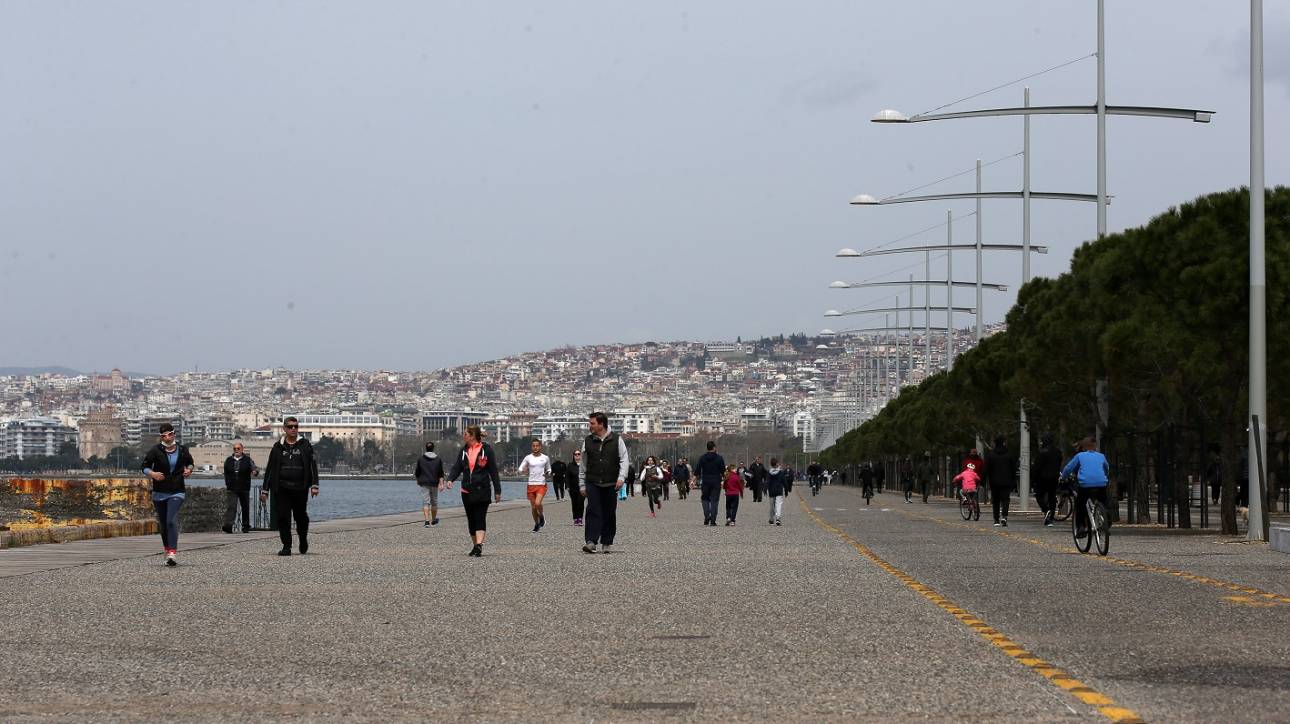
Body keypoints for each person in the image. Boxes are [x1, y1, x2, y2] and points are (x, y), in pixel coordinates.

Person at [261, 416, 320, 556]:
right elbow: (270, 469)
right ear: (284, 429)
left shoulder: (305, 445)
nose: (293, 429)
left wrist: (314, 485)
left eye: (296, 426)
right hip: (282, 488)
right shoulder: (277, 447)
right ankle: (286, 546)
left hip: (300, 488)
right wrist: (265, 490)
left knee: (301, 517)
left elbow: (312, 466)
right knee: (283, 517)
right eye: (290, 426)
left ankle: (303, 539)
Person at [142, 423, 194, 566]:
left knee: (171, 520)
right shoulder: (155, 450)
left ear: (174, 434)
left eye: (169, 434)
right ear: (161, 437)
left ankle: (172, 553)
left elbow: (190, 463)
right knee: (164, 524)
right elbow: (144, 467)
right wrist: (153, 474)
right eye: (164, 436)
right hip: (159, 492)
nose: (167, 437)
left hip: (177, 490)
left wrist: (189, 470)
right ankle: (167, 550)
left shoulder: (183, 450)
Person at [445, 426, 501, 557]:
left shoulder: (486, 450)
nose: (463, 436)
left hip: (482, 490)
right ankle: (475, 545)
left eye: (465, 434)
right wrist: (450, 479)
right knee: (471, 519)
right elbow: (457, 467)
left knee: (480, 517)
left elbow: (493, 471)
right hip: (466, 490)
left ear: (472, 436)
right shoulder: (463, 451)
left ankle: (479, 545)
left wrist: (497, 491)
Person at [578, 412, 629, 553]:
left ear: (601, 424)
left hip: (611, 482)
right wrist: (582, 484)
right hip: (593, 481)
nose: (590, 426)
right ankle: (591, 541)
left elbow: (624, 459)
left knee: (609, 512)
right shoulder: (587, 441)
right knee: (592, 510)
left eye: (592, 423)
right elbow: (583, 464)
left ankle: (607, 541)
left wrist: (621, 477)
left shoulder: (617, 439)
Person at [1061, 436, 1111, 538]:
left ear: (1083, 447)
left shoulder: (1080, 456)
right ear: (1096, 446)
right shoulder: (1101, 456)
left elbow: (1068, 468)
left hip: (1085, 485)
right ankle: (1107, 520)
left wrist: (1063, 477)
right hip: (1101, 483)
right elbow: (1106, 468)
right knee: (1103, 501)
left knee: (1080, 504)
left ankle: (1081, 527)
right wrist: (1104, 477)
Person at [222, 441, 258, 533]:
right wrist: (227, 483)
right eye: (235, 449)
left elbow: (254, 468)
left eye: (238, 448)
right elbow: (226, 473)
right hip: (232, 487)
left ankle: (246, 526)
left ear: (242, 449)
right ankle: (228, 526)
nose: (236, 450)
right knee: (231, 507)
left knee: (245, 507)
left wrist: (254, 472)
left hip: (244, 487)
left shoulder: (248, 460)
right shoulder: (228, 460)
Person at [519, 438, 553, 533]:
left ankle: (541, 516)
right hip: (531, 484)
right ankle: (536, 524)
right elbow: (520, 468)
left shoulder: (545, 458)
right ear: (531, 447)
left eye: (537, 445)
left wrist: (548, 473)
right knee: (533, 507)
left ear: (540, 447)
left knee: (538, 503)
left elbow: (549, 469)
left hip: (541, 484)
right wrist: (523, 470)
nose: (535, 447)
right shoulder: (528, 457)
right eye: (533, 446)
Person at [984, 436, 1016, 527]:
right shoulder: (1009, 454)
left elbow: (986, 469)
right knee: (1005, 500)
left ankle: (996, 519)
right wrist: (1013, 481)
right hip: (1006, 481)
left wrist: (982, 481)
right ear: (1003, 443)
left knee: (996, 501)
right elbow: (1013, 469)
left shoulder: (991, 455)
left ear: (995, 443)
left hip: (994, 482)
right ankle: (1004, 516)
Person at [693, 441, 726, 526]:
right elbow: (723, 471)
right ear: (714, 448)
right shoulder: (719, 458)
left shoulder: (702, 458)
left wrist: (693, 480)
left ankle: (707, 515)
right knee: (714, 500)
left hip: (706, 481)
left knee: (705, 499)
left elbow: (697, 470)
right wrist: (725, 479)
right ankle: (713, 520)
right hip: (716, 481)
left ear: (707, 448)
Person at [1032, 434, 1063, 526]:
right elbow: (1059, 463)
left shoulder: (1042, 452)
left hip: (1042, 478)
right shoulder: (1058, 452)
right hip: (1054, 477)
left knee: (1039, 495)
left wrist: (1033, 480)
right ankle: (1050, 518)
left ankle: (1046, 510)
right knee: (1052, 497)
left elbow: (1037, 468)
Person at [414, 441, 445, 527]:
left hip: (424, 483)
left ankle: (427, 522)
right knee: (434, 502)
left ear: (426, 448)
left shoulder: (420, 459)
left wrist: (418, 480)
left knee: (426, 502)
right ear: (433, 448)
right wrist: (441, 484)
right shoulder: (438, 459)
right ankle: (434, 520)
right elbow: (440, 473)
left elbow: (417, 472)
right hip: (434, 483)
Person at [766, 457, 789, 525]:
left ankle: (771, 518)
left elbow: (767, 482)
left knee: (772, 506)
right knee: (778, 505)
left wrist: (765, 489)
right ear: (776, 464)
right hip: (779, 490)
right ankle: (778, 518)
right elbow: (784, 481)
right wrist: (786, 490)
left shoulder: (769, 472)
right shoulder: (781, 472)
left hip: (771, 491)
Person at [566, 451, 585, 525]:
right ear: (573, 456)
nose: (577, 456)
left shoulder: (584, 465)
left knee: (581, 503)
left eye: (578, 454)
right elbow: (567, 477)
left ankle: (580, 518)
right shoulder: (570, 465)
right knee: (574, 503)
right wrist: (567, 486)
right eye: (575, 454)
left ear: (581, 455)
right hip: (573, 488)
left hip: (582, 487)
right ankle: (575, 518)